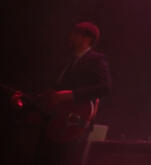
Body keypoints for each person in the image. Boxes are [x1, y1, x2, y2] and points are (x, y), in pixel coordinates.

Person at [36, 21, 112, 165]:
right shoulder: (68, 60)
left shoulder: (96, 59)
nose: (71, 36)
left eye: (75, 34)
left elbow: (104, 87)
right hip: (55, 121)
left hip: (72, 125)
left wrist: (70, 94)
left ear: (87, 39)